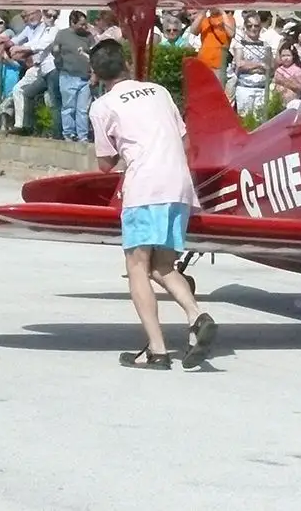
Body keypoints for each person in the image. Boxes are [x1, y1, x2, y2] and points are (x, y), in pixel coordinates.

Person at [88, 39, 218, 370]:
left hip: (145, 187)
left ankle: (157, 350)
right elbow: (185, 141)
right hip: (179, 186)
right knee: (164, 266)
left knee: (136, 267)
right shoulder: (159, 91)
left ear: (97, 74)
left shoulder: (103, 106)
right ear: (126, 64)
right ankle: (196, 314)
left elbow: (105, 163)